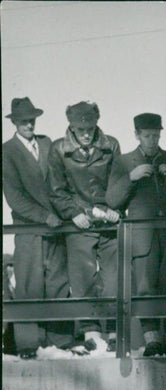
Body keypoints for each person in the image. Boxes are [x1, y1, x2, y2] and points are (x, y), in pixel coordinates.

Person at [106, 112, 166, 357]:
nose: (152, 140)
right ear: (137, 135)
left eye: (156, 135)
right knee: (144, 288)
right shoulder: (124, 162)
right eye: (147, 136)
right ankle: (152, 339)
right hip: (142, 238)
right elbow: (112, 200)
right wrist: (131, 178)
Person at [48, 101, 121, 354]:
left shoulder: (111, 145)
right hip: (79, 223)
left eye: (90, 128)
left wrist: (115, 207)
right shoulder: (58, 149)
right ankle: (90, 332)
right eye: (81, 130)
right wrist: (74, 213)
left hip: (108, 223)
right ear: (71, 127)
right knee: (82, 279)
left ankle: (114, 331)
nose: (87, 134)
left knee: (114, 277)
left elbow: (118, 182)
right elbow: (57, 192)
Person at [2, 96, 72, 357]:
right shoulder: (6, 151)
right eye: (23, 120)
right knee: (29, 285)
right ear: (15, 122)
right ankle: (28, 344)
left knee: (58, 283)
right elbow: (15, 198)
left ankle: (61, 343)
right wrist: (45, 216)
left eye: (31, 119)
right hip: (29, 231)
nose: (28, 124)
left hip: (56, 230)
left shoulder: (48, 144)